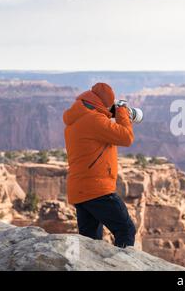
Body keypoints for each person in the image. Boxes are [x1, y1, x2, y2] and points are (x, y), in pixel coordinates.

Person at [63, 82, 136, 248]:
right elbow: (126, 137)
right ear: (103, 103)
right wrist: (122, 111)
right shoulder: (93, 120)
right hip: (97, 190)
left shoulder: (76, 119)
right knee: (126, 229)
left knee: (90, 243)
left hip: (80, 190)